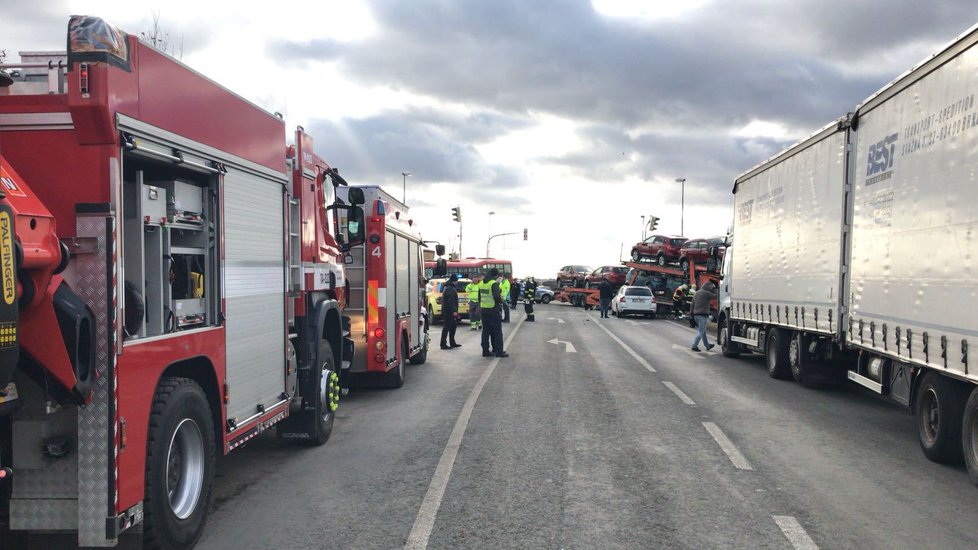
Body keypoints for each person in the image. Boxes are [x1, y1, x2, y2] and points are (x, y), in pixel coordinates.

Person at [480, 268, 508, 357]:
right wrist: (501, 300)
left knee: (486, 331)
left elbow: (479, 297)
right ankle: (498, 351)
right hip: (493, 310)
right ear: (495, 276)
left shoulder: (481, 283)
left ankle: (485, 351)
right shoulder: (493, 284)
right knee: (497, 331)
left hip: (484, 310)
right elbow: (496, 297)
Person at [690, 280, 717, 352]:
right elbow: (715, 296)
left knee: (703, 331)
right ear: (708, 287)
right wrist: (715, 289)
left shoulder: (697, 293)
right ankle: (694, 346)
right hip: (703, 315)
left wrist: (691, 314)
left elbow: (692, 304)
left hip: (696, 315)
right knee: (701, 331)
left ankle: (707, 345)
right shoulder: (707, 293)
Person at [439, 275, 461, 349]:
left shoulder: (449, 287)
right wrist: (454, 311)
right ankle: (443, 344)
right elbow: (451, 301)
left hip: (448, 311)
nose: (457, 282)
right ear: (454, 281)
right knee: (446, 327)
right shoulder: (450, 289)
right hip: (448, 312)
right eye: (457, 281)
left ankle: (452, 342)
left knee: (453, 326)